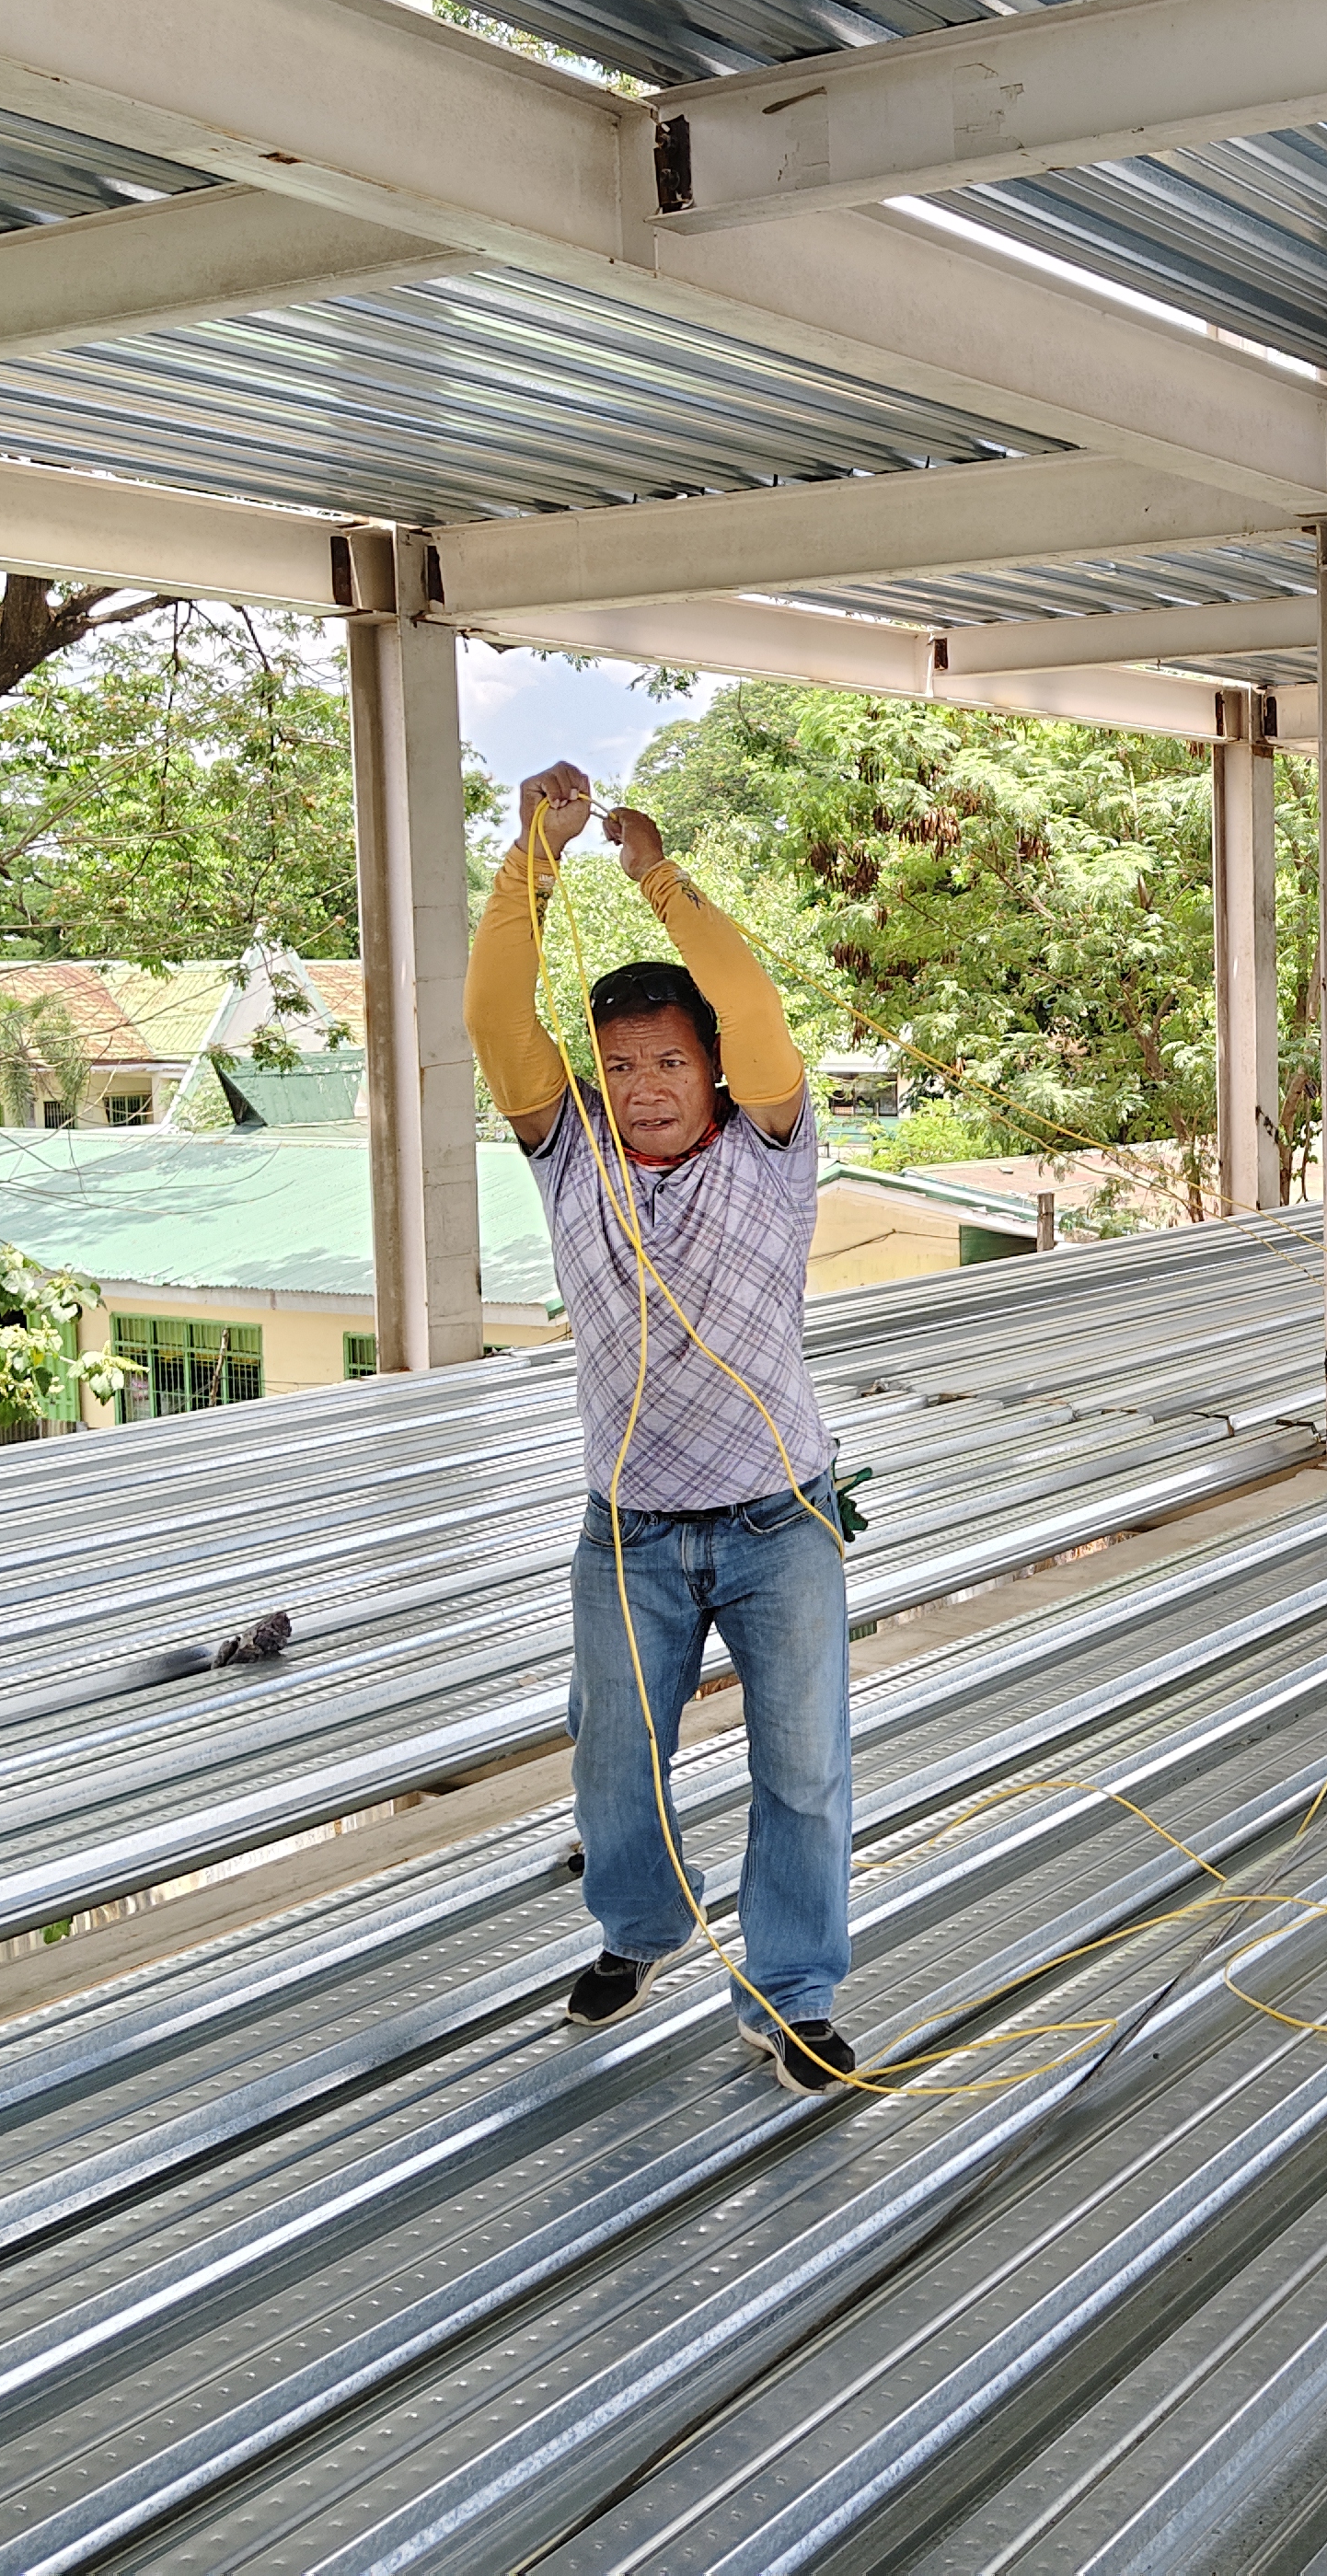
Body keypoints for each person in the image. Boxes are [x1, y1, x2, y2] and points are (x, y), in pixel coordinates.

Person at [464, 759, 859, 2095]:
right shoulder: (567, 1152)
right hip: (627, 1531)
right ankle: (639, 1932)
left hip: (778, 1520)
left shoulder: (770, 1143)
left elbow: (749, 999)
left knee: (800, 1773)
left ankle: (794, 1993)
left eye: (667, 1062)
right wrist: (533, 856)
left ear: (714, 1071)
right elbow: (490, 1012)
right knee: (617, 1769)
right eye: (620, 1063)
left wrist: (650, 874)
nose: (640, 1086)